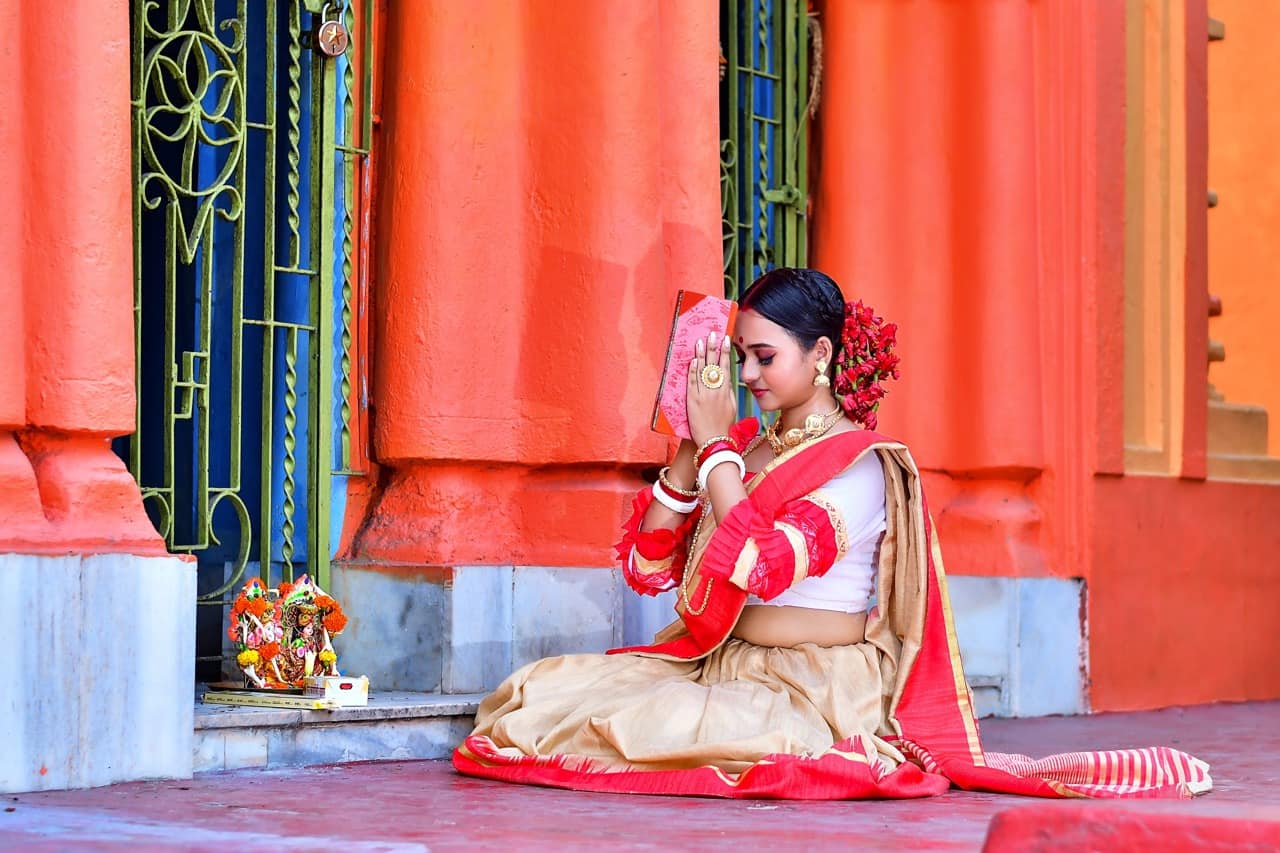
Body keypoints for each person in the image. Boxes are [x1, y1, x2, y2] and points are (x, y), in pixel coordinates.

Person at [453, 268, 1211, 800]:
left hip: (814, 687)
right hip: (722, 664)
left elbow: (763, 564)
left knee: (633, 729)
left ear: (821, 356)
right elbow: (652, 572)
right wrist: (690, 444)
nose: (748, 374)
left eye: (764, 356)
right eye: (739, 356)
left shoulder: (859, 464)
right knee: (535, 697)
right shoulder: (744, 449)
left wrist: (718, 447)